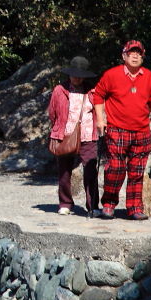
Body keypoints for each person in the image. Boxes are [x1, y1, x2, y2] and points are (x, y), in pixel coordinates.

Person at [91, 39, 151, 220]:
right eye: (131, 52)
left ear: (143, 56)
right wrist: (100, 119)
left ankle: (134, 208)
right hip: (117, 130)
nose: (135, 55)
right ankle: (109, 204)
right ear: (124, 55)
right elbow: (98, 96)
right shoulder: (112, 74)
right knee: (116, 169)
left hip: (142, 132)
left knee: (136, 172)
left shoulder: (149, 76)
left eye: (138, 53)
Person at [47, 55, 100, 215]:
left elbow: (98, 111)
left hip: (88, 135)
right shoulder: (59, 90)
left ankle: (93, 206)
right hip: (65, 134)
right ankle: (65, 203)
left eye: (80, 75)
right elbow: (53, 113)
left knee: (90, 171)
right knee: (64, 171)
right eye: (74, 74)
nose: (77, 78)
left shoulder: (93, 91)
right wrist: (58, 129)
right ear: (69, 74)